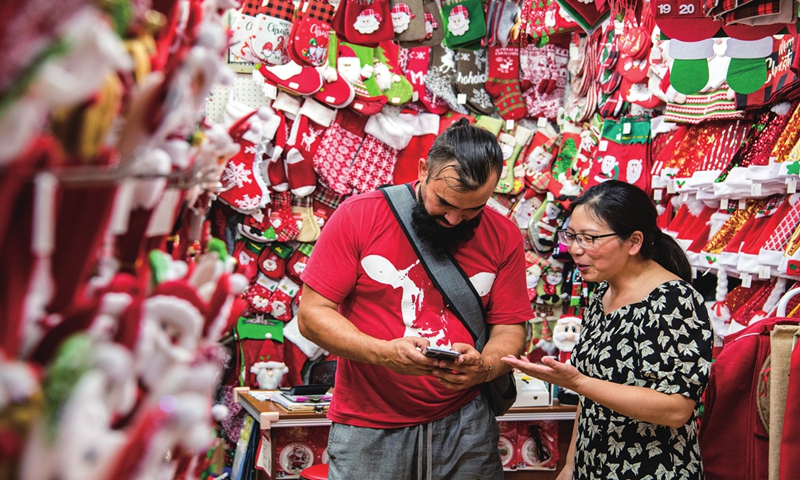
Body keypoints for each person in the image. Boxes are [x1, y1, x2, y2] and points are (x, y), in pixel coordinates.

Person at [297, 118, 532, 479]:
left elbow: (510, 330)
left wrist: (483, 367)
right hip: (369, 423)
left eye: (473, 209)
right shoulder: (359, 216)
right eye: (444, 202)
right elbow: (312, 316)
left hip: (467, 425)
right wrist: (383, 353)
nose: (455, 219)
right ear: (424, 170)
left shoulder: (504, 235)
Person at [503, 180, 713, 480]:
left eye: (589, 238)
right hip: (594, 466)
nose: (575, 249)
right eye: (572, 236)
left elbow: (677, 409)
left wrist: (580, 383)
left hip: (652, 471)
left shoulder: (673, 301)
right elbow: (590, 395)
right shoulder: (604, 291)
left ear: (634, 241)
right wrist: (571, 464)